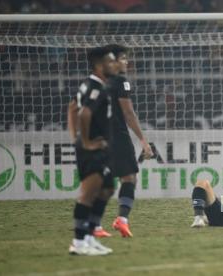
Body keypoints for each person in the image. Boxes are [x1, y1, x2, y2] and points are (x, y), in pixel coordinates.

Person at [68, 46, 116, 255]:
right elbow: (84, 113)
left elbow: (72, 108)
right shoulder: (96, 87)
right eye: (111, 61)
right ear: (100, 65)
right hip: (92, 147)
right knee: (88, 195)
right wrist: (85, 142)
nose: (114, 64)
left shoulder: (92, 85)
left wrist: (75, 138)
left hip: (97, 146)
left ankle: (89, 237)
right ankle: (79, 243)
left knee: (107, 189)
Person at [105, 44, 153, 238]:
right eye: (123, 58)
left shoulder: (97, 81)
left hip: (98, 136)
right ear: (113, 61)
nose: (127, 62)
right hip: (117, 136)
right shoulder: (121, 82)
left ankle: (91, 224)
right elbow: (128, 113)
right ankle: (122, 220)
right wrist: (143, 140)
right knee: (129, 177)